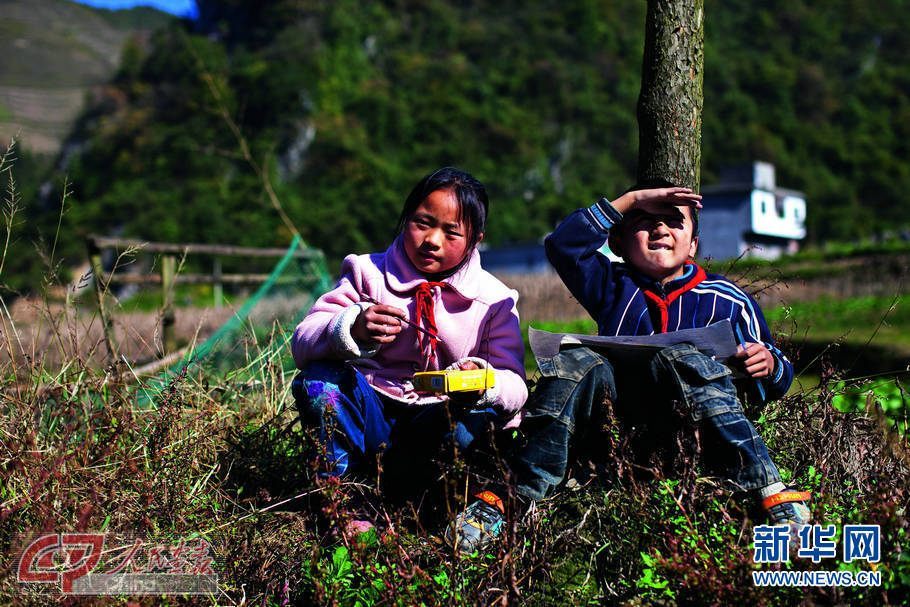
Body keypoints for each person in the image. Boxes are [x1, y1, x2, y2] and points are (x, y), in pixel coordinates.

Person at [449, 182, 811, 551]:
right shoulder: (613, 286)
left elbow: (775, 373)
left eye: (674, 222)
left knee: (680, 358)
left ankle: (766, 487)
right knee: (577, 362)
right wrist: (630, 200)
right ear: (618, 244)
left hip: (693, 437)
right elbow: (563, 245)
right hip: (617, 434)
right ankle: (514, 494)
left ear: (694, 245)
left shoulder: (729, 299)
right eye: (644, 221)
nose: (660, 229)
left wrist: (765, 364)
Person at [291, 167, 527, 543]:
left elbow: (515, 386)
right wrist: (351, 327)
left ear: (475, 241)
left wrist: (483, 379)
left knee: (480, 415)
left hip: (436, 423)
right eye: (422, 222)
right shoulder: (367, 273)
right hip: (370, 414)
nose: (432, 240)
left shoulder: (493, 301)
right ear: (406, 218)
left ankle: (429, 506)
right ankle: (343, 502)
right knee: (320, 381)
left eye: (452, 232)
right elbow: (303, 340)